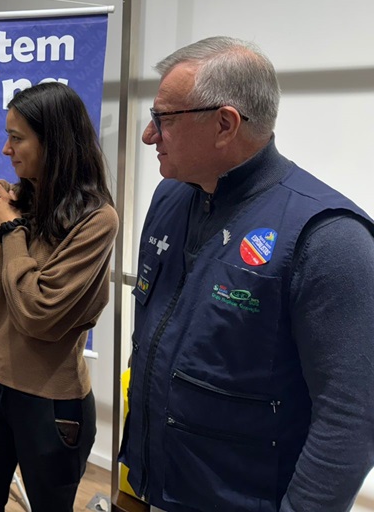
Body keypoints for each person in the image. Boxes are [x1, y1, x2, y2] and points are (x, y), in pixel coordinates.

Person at [118, 36, 374, 512]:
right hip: (157, 489)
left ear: (224, 124)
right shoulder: (170, 199)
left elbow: (350, 418)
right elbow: (151, 351)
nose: (149, 136)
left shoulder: (330, 238)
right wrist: (131, 485)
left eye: (163, 119)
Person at [0, 81, 119, 512]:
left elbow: (37, 312)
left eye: (17, 138)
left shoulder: (96, 220)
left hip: (52, 404)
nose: (5, 150)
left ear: (54, 142)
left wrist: (12, 228)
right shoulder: (3, 199)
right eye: (6, 136)